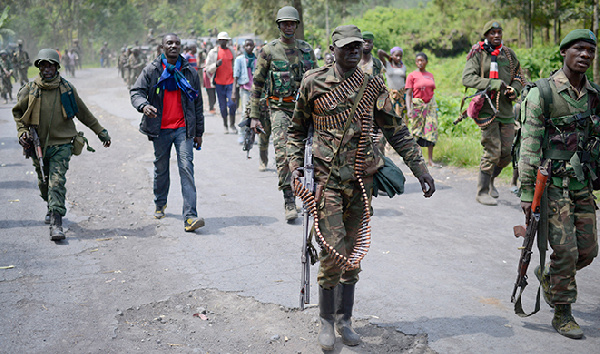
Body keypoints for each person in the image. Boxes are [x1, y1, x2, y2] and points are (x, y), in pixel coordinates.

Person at [287, 25, 435, 350]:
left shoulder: (372, 84)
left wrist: (420, 169)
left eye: (358, 46)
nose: (354, 51)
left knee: (353, 253)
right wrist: (293, 167)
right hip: (325, 182)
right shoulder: (313, 82)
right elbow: (296, 131)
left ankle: (345, 319)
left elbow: (397, 131)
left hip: (360, 181)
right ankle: (326, 321)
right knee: (332, 250)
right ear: (333, 48)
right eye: (347, 46)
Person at [519, 29, 599, 340]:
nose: (585, 55)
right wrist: (528, 193)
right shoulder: (543, 93)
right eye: (579, 49)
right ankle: (563, 313)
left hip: (581, 183)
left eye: (590, 51)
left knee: (588, 251)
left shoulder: (594, 96)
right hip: (551, 184)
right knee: (565, 250)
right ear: (563, 52)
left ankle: (550, 277)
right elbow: (529, 146)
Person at [12, 49, 112, 240]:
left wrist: (101, 132)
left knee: (56, 181)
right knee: (44, 182)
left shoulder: (66, 89)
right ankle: (51, 206)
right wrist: (22, 133)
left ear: (57, 67)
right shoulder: (30, 89)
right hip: (37, 145)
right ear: (39, 67)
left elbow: (83, 113)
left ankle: (57, 223)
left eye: (50, 65)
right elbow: (18, 115)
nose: (46, 69)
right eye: (43, 65)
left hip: (62, 145)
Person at [130, 33, 205, 232]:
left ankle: (190, 216)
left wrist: (199, 132)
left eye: (177, 43)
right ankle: (160, 202)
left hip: (183, 129)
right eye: (169, 43)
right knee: (161, 168)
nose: (174, 46)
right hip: (160, 129)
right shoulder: (152, 70)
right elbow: (136, 92)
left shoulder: (189, 71)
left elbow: (198, 103)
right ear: (162, 47)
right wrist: (144, 105)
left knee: (186, 168)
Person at [248, 6, 317, 221]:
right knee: (283, 155)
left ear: (296, 25)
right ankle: (289, 200)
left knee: (312, 154)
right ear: (279, 25)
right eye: (284, 23)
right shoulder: (269, 51)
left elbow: (316, 81)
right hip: (279, 109)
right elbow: (257, 84)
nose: (288, 27)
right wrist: (253, 115)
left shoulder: (306, 50)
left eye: (292, 23)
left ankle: (310, 194)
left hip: (304, 111)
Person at [462, 20, 523, 205]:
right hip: (487, 110)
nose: (496, 35)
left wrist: (514, 89)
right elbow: (467, 78)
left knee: (505, 154)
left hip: (506, 110)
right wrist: (493, 83)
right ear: (486, 35)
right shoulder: (477, 53)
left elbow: (519, 76)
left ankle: (491, 181)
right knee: (492, 151)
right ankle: (481, 192)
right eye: (492, 32)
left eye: (499, 32)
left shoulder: (509, 54)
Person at [406, 53, 438, 167]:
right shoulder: (412, 75)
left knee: (431, 129)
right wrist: (409, 109)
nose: (420, 63)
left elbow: (432, 91)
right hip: (417, 107)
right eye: (417, 61)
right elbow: (408, 94)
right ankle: (415, 158)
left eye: (422, 60)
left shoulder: (430, 75)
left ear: (426, 61)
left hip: (430, 106)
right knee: (416, 132)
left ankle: (430, 160)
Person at [206, 32, 237, 134]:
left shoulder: (232, 51)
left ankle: (232, 124)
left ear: (227, 41)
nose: (223, 42)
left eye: (225, 40)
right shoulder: (213, 53)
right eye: (221, 40)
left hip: (231, 82)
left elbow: (235, 66)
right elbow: (208, 68)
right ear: (218, 41)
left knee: (232, 104)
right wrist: (216, 65)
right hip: (219, 83)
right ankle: (225, 125)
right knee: (222, 107)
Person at [232, 39, 257, 144]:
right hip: (245, 89)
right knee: (244, 113)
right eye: (247, 46)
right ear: (244, 47)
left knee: (255, 113)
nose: (249, 48)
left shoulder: (256, 59)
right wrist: (234, 91)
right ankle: (241, 134)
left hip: (256, 90)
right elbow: (236, 75)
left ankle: (252, 135)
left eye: (251, 46)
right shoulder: (239, 59)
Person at [378, 46, 406, 118]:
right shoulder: (387, 65)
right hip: (391, 94)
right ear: (392, 55)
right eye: (396, 55)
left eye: (400, 56)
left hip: (402, 94)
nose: (399, 58)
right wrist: (389, 57)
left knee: (401, 116)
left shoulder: (403, 66)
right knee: (390, 114)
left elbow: (405, 80)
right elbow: (380, 52)